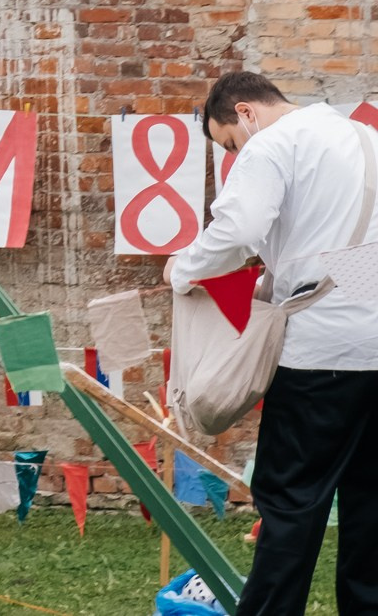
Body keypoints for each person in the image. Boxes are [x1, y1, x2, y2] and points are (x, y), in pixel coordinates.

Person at [167, 72, 378, 615]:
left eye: (230, 143)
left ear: (246, 113)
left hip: (319, 356)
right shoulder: (364, 137)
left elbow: (238, 230)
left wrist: (184, 269)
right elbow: (341, 248)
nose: (236, 155)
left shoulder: (273, 144)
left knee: (290, 507)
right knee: (371, 510)